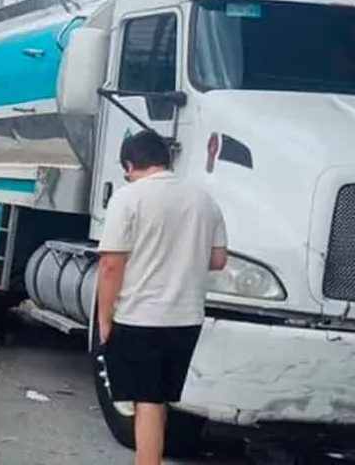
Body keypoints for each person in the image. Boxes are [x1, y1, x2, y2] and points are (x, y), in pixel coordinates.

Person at [96, 130, 228, 465]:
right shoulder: (203, 200)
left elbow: (111, 264)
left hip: (141, 317)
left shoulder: (128, 198)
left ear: (130, 164)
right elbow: (218, 260)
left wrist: (104, 319)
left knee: (148, 403)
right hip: (186, 319)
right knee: (158, 401)